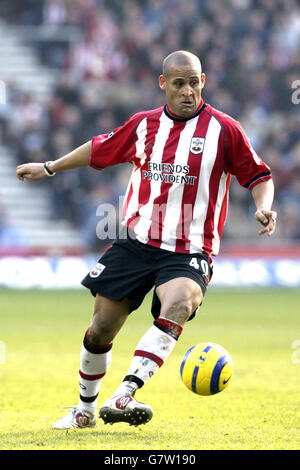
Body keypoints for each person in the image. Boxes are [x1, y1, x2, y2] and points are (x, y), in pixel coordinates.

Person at [16, 50, 277, 429]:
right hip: (137, 243)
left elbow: (259, 175)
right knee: (101, 328)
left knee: (180, 301)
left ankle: (125, 393)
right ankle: (84, 410)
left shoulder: (225, 129)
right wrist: (50, 167)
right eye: (179, 84)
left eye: (194, 82)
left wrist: (264, 207)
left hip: (190, 250)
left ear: (203, 81)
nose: (188, 91)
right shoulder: (143, 125)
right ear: (163, 84)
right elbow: (99, 149)